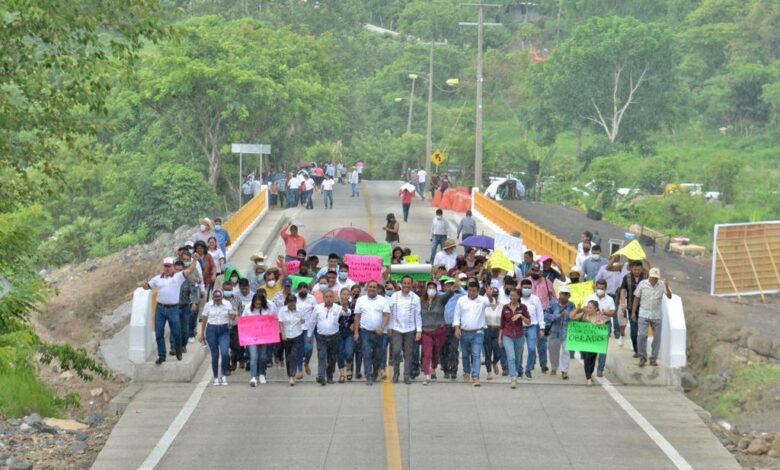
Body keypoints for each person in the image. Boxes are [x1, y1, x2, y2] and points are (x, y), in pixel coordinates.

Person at [140, 255, 199, 364]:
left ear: (173, 266)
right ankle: (162, 356)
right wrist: (144, 285)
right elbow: (148, 286)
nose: (167, 268)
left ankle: (178, 349)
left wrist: (195, 259)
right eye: (165, 266)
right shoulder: (157, 278)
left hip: (173, 308)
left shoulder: (178, 277)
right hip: (160, 308)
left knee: (177, 332)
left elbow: (190, 269)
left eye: (169, 266)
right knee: (159, 333)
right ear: (163, 266)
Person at [632, 268, 672, 367]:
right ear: (649, 276)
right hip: (643, 313)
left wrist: (667, 287)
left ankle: (653, 358)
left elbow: (670, 296)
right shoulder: (642, 284)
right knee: (642, 336)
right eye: (653, 277)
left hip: (657, 315)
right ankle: (642, 357)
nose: (654, 279)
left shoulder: (662, 284)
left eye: (656, 278)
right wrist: (633, 312)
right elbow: (637, 297)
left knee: (657, 338)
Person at [353, 280, 391, 385]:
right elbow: (357, 317)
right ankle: (368, 375)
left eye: (374, 287)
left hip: (379, 332)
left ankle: (375, 372)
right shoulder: (360, 300)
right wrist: (356, 332)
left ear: (377, 289)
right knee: (366, 353)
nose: (372, 289)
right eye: (370, 287)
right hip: (365, 331)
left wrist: (382, 327)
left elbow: (387, 315)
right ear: (367, 288)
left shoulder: (383, 300)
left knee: (378, 354)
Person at [453, 281, 489, 386]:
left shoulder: (482, 300)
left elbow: (491, 303)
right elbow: (457, 315)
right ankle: (466, 371)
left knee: (476, 354)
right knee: (465, 355)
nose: (472, 293)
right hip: (464, 332)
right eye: (470, 290)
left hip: (478, 332)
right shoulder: (461, 300)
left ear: (478, 291)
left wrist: (490, 296)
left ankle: (475, 376)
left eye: (474, 291)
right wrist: (456, 328)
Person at [197, 289, 236, 386]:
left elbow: (232, 318)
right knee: (215, 354)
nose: (217, 301)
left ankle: (223, 374)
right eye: (215, 299)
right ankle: (215, 377)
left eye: (219, 299)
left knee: (225, 353)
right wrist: (202, 333)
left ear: (222, 298)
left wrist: (233, 314)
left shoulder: (227, 304)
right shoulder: (208, 305)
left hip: (224, 330)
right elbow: (204, 319)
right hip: (211, 330)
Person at [307, 290, 345, 385]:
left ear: (333, 298)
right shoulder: (317, 308)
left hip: (334, 336)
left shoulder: (338, 308)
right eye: (326, 297)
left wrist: (345, 308)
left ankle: (329, 377)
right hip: (321, 337)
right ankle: (321, 376)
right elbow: (312, 322)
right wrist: (309, 334)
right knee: (322, 356)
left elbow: (347, 313)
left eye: (330, 296)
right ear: (323, 298)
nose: (328, 298)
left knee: (332, 358)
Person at [388, 276, 422, 384]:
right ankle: (396, 373)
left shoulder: (415, 298)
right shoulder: (394, 296)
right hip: (396, 328)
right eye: (405, 283)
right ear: (401, 284)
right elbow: (390, 313)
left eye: (409, 283)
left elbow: (418, 315)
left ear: (411, 285)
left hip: (410, 329)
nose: (406, 285)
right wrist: (389, 327)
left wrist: (419, 330)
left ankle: (406, 376)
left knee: (408, 353)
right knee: (396, 351)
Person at [241, 292, 277, 387]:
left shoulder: (268, 308)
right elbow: (243, 321)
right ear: (253, 303)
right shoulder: (248, 308)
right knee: (253, 356)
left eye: (260, 304)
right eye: (256, 304)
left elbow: (273, 320)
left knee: (263, 356)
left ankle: (262, 373)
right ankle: (253, 377)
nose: (258, 305)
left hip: (264, 336)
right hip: (252, 336)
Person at [569, 300, 608, 386]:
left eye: (590, 308)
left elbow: (604, 325)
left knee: (592, 359)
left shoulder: (599, 316)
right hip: (584, 342)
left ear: (595, 309)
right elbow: (572, 317)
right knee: (587, 358)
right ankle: (588, 378)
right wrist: (578, 309)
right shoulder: (583, 315)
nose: (588, 309)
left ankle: (590, 373)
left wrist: (600, 324)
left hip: (594, 343)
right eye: (587, 307)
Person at [499, 288, 530, 388]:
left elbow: (528, 321)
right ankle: (513, 378)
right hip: (507, 335)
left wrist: (521, 316)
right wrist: (500, 337)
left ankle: (515, 372)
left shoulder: (523, 307)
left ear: (519, 296)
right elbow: (502, 324)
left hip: (519, 335)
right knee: (511, 357)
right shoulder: (505, 308)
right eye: (511, 295)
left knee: (517, 358)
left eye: (514, 295)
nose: (512, 297)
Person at [586, 279, 616, 377]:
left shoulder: (610, 299)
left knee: (602, 348)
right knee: (592, 348)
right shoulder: (590, 297)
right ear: (595, 287)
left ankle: (600, 369)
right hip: (592, 325)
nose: (600, 290)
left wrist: (605, 312)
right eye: (598, 288)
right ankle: (590, 369)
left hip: (604, 325)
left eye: (602, 288)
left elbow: (613, 312)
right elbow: (584, 309)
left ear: (605, 289)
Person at [545, 286, 575, 379]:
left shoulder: (571, 305)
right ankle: (554, 367)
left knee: (566, 351)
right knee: (553, 351)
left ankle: (564, 371)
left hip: (566, 332)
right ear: (559, 294)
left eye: (566, 294)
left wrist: (570, 315)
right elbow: (546, 316)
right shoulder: (552, 303)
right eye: (562, 293)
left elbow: (574, 317)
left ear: (569, 296)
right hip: (554, 331)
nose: (563, 296)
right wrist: (558, 315)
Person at [619, 260, 647, 356]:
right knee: (633, 332)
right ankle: (636, 351)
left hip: (645, 309)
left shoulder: (646, 277)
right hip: (631, 308)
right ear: (631, 268)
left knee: (643, 333)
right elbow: (623, 290)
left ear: (641, 269)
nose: (636, 271)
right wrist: (623, 302)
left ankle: (643, 351)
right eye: (634, 269)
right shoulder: (626, 277)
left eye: (638, 269)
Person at [519, 278, 544, 380]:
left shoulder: (535, 299)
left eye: (529, 288)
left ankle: (528, 369)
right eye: (525, 288)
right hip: (519, 327)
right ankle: (519, 369)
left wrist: (542, 328)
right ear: (521, 288)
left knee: (532, 349)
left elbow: (540, 313)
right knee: (519, 350)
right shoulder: (517, 298)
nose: (527, 290)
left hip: (532, 327)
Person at [278, 294, 305, 386]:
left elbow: (304, 320)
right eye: (290, 303)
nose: (292, 304)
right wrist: (283, 334)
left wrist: (301, 320)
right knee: (288, 356)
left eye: (293, 302)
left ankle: (292, 376)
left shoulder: (300, 310)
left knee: (294, 355)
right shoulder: (282, 310)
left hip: (297, 334)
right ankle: (289, 375)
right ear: (288, 302)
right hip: (287, 335)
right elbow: (280, 322)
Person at [483, 285, 506, 379]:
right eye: (492, 295)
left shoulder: (502, 306)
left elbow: (504, 320)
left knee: (498, 352)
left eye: (496, 295)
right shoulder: (484, 305)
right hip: (487, 329)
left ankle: (495, 362)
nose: (494, 297)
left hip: (498, 330)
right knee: (487, 352)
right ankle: (489, 371)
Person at [336, 288, 356, 382]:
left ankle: (349, 366)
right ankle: (342, 374)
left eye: (347, 294)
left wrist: (354, 324)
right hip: (338, 333)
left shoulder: (353, 305)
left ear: (349, 296)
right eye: (343, 294)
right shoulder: (335, 305)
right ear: (340, 295)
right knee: (340, 353)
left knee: (349, 353)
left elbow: (356, 317)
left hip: (349, 332)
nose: (345, 296)